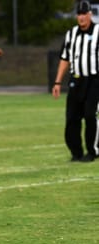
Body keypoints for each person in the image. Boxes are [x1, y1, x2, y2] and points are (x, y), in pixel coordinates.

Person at [52, 0, 99, 162]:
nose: (81, 17)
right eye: (79, 14)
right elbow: (65, 59)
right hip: (76, 79)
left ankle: (92, 151)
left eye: (84, 14)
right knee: (71, 117)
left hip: (94, 80)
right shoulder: (71, 34)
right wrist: (57, 82)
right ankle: (76, 152)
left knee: (90, 115)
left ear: (90, 14)